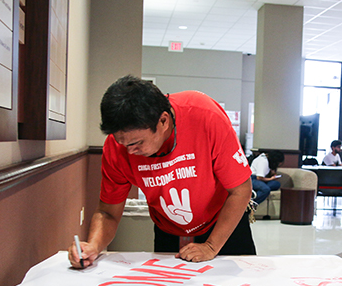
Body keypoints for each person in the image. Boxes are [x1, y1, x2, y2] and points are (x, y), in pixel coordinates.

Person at [69, 76, 255, 265]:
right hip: (169, 227)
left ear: (164, 121)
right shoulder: (118, 147)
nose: (130, 151)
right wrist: (93, 246)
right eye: (122, 143)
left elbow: (241, 190)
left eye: (137, 143)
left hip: (224, 224)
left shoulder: (205, 116)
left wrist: (211, 246)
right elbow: (108, 212)